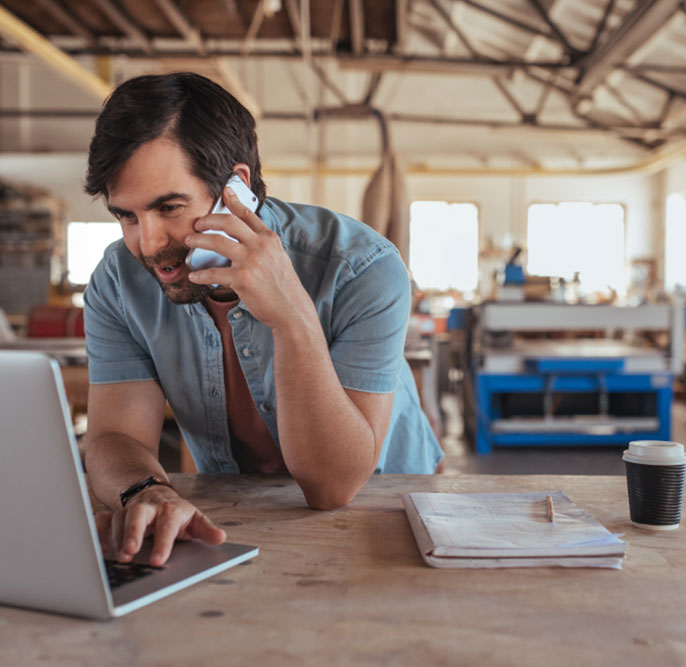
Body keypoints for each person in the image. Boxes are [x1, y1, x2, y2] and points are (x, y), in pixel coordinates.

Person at [82, 72, 443, 567]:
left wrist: (292, 317)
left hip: (386, 507)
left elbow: (332, 488)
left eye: (169, 207)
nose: (147, 243)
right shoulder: (118, 281)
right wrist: (147, 491)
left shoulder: (363, 269)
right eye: (126, 215)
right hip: (234, 513)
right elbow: (114, 438)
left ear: (237, 187)